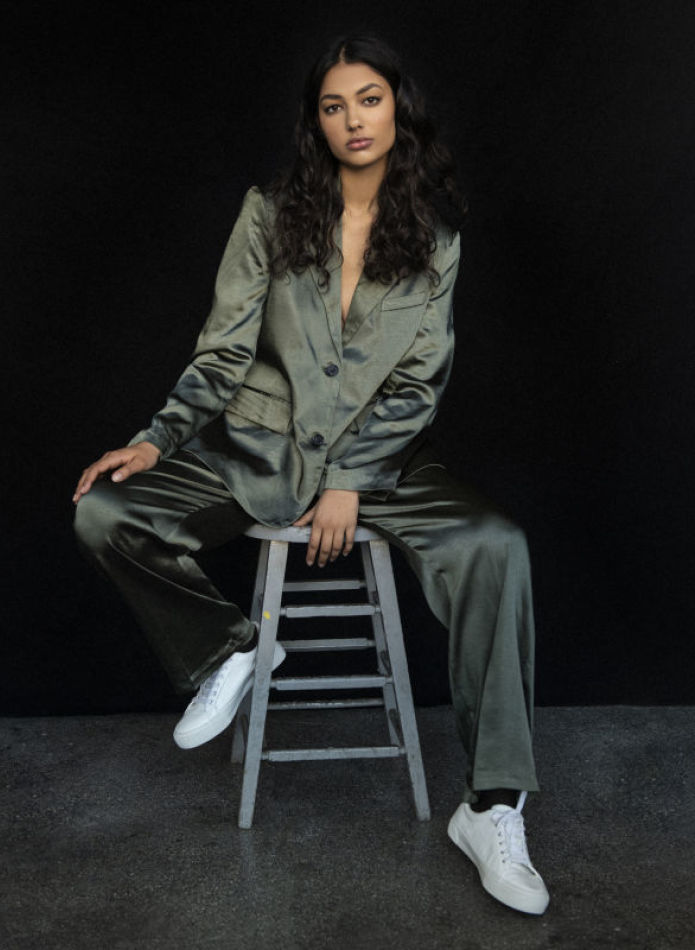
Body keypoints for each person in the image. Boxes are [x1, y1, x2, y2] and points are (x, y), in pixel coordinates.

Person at [73, 34, 549, 915]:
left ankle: (491, 806)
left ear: (397, 109)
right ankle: (232, 648)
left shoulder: (436, 235)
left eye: (368, 99)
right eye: (334, 106)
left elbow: (419, 381)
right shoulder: (269, 213)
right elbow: (223, 350)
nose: (352, 119)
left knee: (495, 547)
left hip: (386, 459)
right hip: (259, 448)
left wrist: (351, 479)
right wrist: (157, 438)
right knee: (104, 512)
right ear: (316, 123)